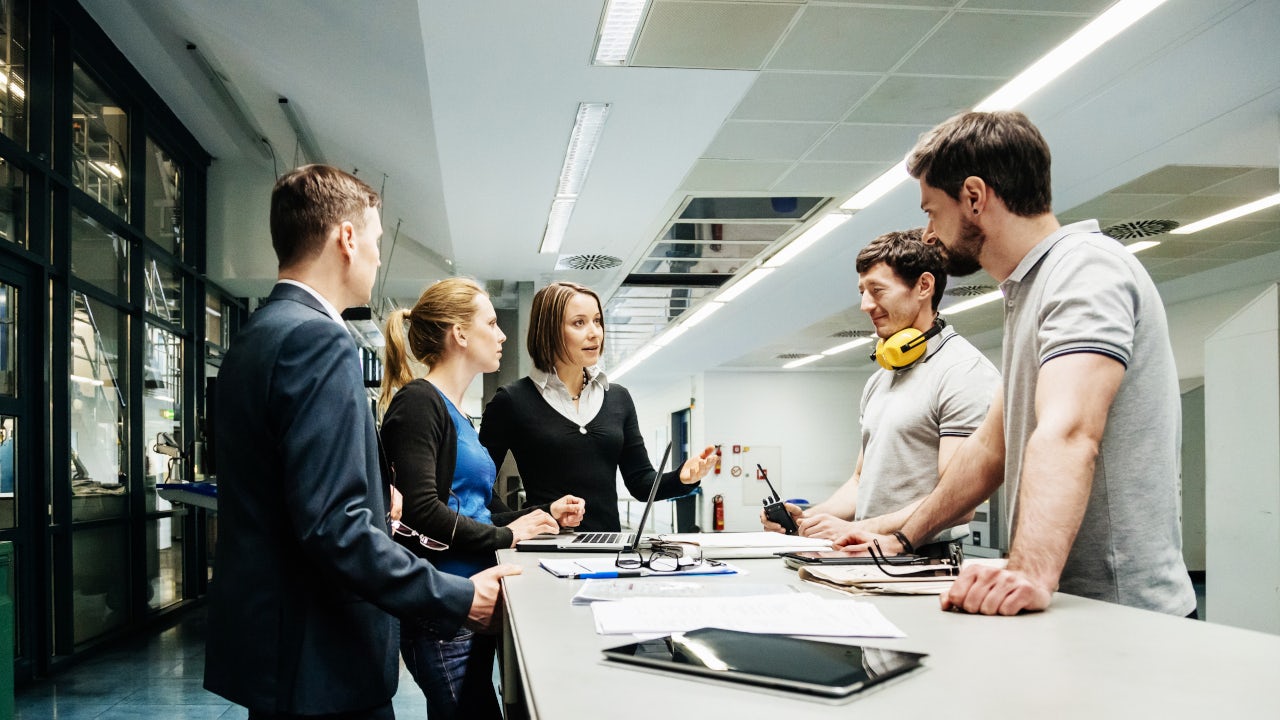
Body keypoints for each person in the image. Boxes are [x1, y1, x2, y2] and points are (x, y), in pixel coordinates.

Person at [836, 111, 1196, 618]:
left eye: (933, 211)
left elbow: (1069, 431)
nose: (929, 233)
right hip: (1064, 603)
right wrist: (900, 536)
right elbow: (988, 449)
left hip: (1121, 610)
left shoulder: (1083, 268)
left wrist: (1027, 571)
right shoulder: (1028, 292)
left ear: (975, 198)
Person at [204, 164, 520, 720]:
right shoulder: (317, 340)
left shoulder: (256, 337)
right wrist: (458, 598)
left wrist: (379, 503)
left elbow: (288, 498)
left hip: (275, 655)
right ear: (346, 238)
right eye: (374, 239)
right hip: (324, 658)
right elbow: (334, 527)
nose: (377, 256)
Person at [378, 278, 585, 719]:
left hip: (476, 596)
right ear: (460, 334)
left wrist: (543, 513)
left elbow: (479, 507)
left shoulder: (457, 412)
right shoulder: (419, 403)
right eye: (492, 323)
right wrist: (506, 534)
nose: (502, 334)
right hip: (445, 603)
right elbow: (420, 510)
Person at [760, 229, 998, 554]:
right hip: (869, 550)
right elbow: (860, 482)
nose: (865, 305)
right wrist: (810, 519)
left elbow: (958, 500)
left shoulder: (963, 373)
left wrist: (858, 527)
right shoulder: (882, 379)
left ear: (924, 287)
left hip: (925, 558)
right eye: (862, 291)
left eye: (877, 290)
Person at [479, 281, 716, 532]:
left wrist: (682, 478)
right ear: (549, 330)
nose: (595, 332)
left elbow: (641, 483)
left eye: (597, 321)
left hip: (608, 548)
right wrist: (518, 525)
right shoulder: (511, 401)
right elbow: (478, 488)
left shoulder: (618, 398)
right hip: (545, 550)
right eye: (579, 323)